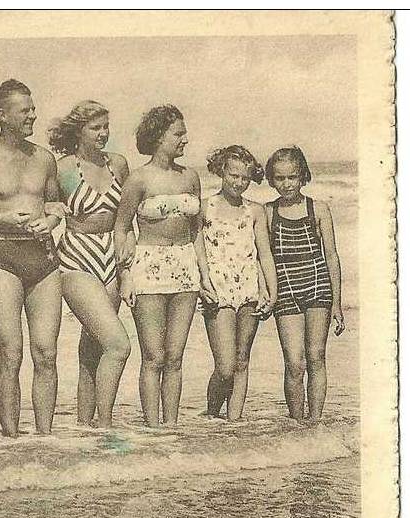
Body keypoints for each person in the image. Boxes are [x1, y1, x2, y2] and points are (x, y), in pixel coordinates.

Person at [0, 79, 63, 438]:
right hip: (2, 253)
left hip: (43, 256)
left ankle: (45, 438)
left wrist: (48, 222)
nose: (33, 115)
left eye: (33, 109)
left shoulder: (44, 159)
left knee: (46, 352)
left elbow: (55, 207)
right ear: (3, 115)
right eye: (25, 111)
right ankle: (11, 441)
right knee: (11, 352)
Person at [115, 105, 210, 427]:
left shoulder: (190, 176)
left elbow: (197, 231)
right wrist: (124, 275)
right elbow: (122, 227)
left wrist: (204, 273)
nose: (185, 139)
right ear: (158, 137)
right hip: (149, 265)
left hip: (185, 266)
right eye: (178, 133)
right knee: (153, 357)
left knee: (175, 358)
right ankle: (152, 430)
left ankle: (171, 429)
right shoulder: (138, 179)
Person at [47, 100, 132, 427]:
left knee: (92, 351)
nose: (103, 134)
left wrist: (129, 250)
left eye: (106, 127)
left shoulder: (119, 164)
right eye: (95, 128)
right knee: (118, 345)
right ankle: (106, 425)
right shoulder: (63, 168)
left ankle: (86, 430)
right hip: (76, 256)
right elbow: (48, 208)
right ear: (78, 131)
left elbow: (128, 215)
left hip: (111, 254)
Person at [264, 146, 345, 421]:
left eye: (292, 177)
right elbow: (261, 258)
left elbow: (332, 256)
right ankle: (297, 422)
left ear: (303, 176)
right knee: (294, 362)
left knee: (316, 356)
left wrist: (337, 303)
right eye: (279, 178)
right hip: (285, 287)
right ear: (271, 179)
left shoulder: (318, 208)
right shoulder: (267, 212)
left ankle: (315, 421)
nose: (286, 184)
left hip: (317, 285)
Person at [199, 145, 277, 421]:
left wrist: (272, 291)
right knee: (225, 366)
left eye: (244, 178)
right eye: (233, 175)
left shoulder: (254, 211)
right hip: (217, 289)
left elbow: (265, 254)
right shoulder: (205, 206)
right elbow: (196, 247)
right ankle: (211, 412)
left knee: (242, 361)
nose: (238, 182)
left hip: (249, 288)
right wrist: (203, 283)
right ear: (221, 170)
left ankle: (234, 423)